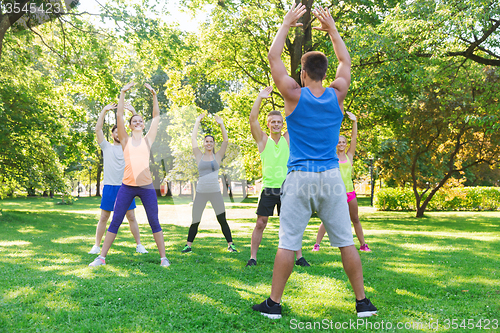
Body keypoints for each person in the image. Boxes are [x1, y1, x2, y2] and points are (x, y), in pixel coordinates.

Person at [252, 4, 377, 318]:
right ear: (325, 73)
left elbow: (274, 58)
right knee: (346, 242)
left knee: (288, 242)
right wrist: (332, 29)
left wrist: (285, 24)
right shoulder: (338, 94)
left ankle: (274, 305)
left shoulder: (293, 95)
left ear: (304, 74)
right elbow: (345, 61)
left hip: (299, 179)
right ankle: (363, 303)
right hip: (332, 178)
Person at [89, 82, 169, 267]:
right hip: (126, 186)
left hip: (146, 187)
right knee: (115, 220)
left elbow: (156, 116)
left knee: (154, 221)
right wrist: (122, 93)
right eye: (135, 121)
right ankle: (101, 257)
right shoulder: (124, 139)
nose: (139, 123)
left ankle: (163, 258)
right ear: (131, 126)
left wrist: (154, 96)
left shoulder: (148, 139)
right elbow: (118, 115)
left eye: (141, 121)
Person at [246, 86, 309, 267]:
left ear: (283, 124)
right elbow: (252, 120)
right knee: (260, 223)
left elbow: (301, 121)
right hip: (268, 188)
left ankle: (299, 257)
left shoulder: (287, 139)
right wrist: (259, 97)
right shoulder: (263, 140)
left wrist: (298, 98)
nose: (276, 124)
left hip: (287, 187)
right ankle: (253, 257)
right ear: (268, 124)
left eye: (279, 122)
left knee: (291, 223)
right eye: (272, 122)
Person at [88, 102, 148, 255]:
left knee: (131, 217)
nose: (117, 134)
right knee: (104, 217)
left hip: (126, 186)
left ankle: (139, 245)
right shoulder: (106, 146)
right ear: (112, 134)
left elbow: (136, 128)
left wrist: (133, 111)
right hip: (110, 186)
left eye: (119, 132)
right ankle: (96, 246)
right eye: (114, 132)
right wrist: (104, 110)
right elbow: (98, 129)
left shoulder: (130, 146)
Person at [313, 112, 371, 252]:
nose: (342, 144)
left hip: (349, 191)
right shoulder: (331, 156)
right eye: (339, 142)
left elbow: (354, 138)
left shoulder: (349, 155)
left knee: (355, 219)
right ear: (335, 143)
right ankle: (317, 244)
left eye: (343, 142)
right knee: (327, 219)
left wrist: (354, 122)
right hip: (334, 191)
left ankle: (363, 245)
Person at [180, 113, 237, 253]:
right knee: (195, 220)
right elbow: (193, 138)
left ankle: (231, 245)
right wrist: (197, 121)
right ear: (204, 143)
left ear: (213, 144)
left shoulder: (218, 156)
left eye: (211, 141)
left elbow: (226, 140)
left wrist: (221, 124)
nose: (209, 143)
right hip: (201, 193)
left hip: (215, 192)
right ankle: (188, 245)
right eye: (207, 141)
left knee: (222, 219)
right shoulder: (199, 156)